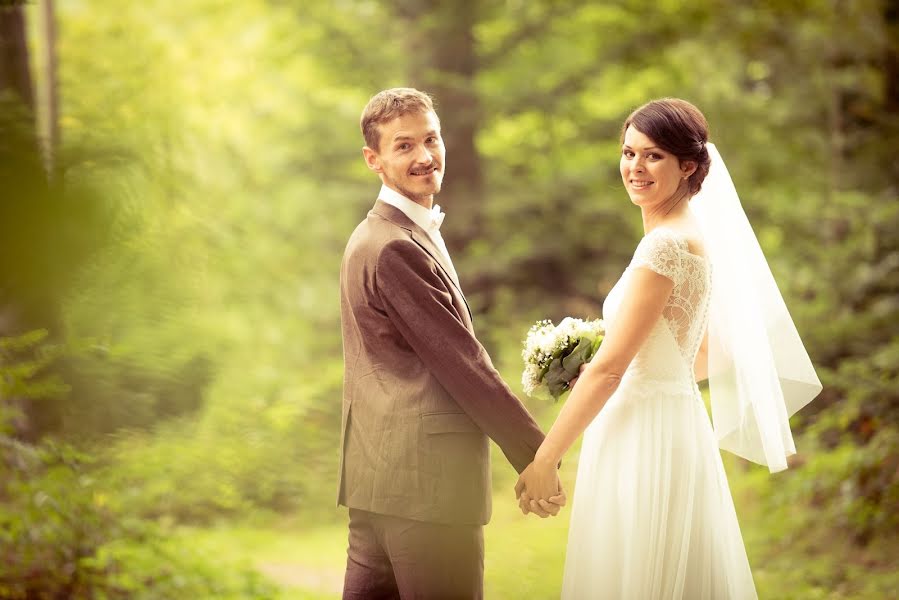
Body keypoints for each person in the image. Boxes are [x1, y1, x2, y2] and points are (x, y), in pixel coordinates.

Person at [515, 98, 822, 599]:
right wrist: (639, 369)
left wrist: (545, 459)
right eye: (628, 152)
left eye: (653, 155)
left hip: (645, 432)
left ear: (689, 166)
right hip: (670, 421)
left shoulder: (665, 247)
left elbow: (610, 370)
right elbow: (705, 354)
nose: (635, 167)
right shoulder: (690, 237)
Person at [338, 87, 565, 600]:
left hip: (377, 483)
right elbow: (463, 365)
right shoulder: (395, 246)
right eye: (403, 146)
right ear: (373, 159)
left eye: (431, 139)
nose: (424, 156)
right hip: (426, 490)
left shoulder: (375, 235)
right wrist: (537, 456)